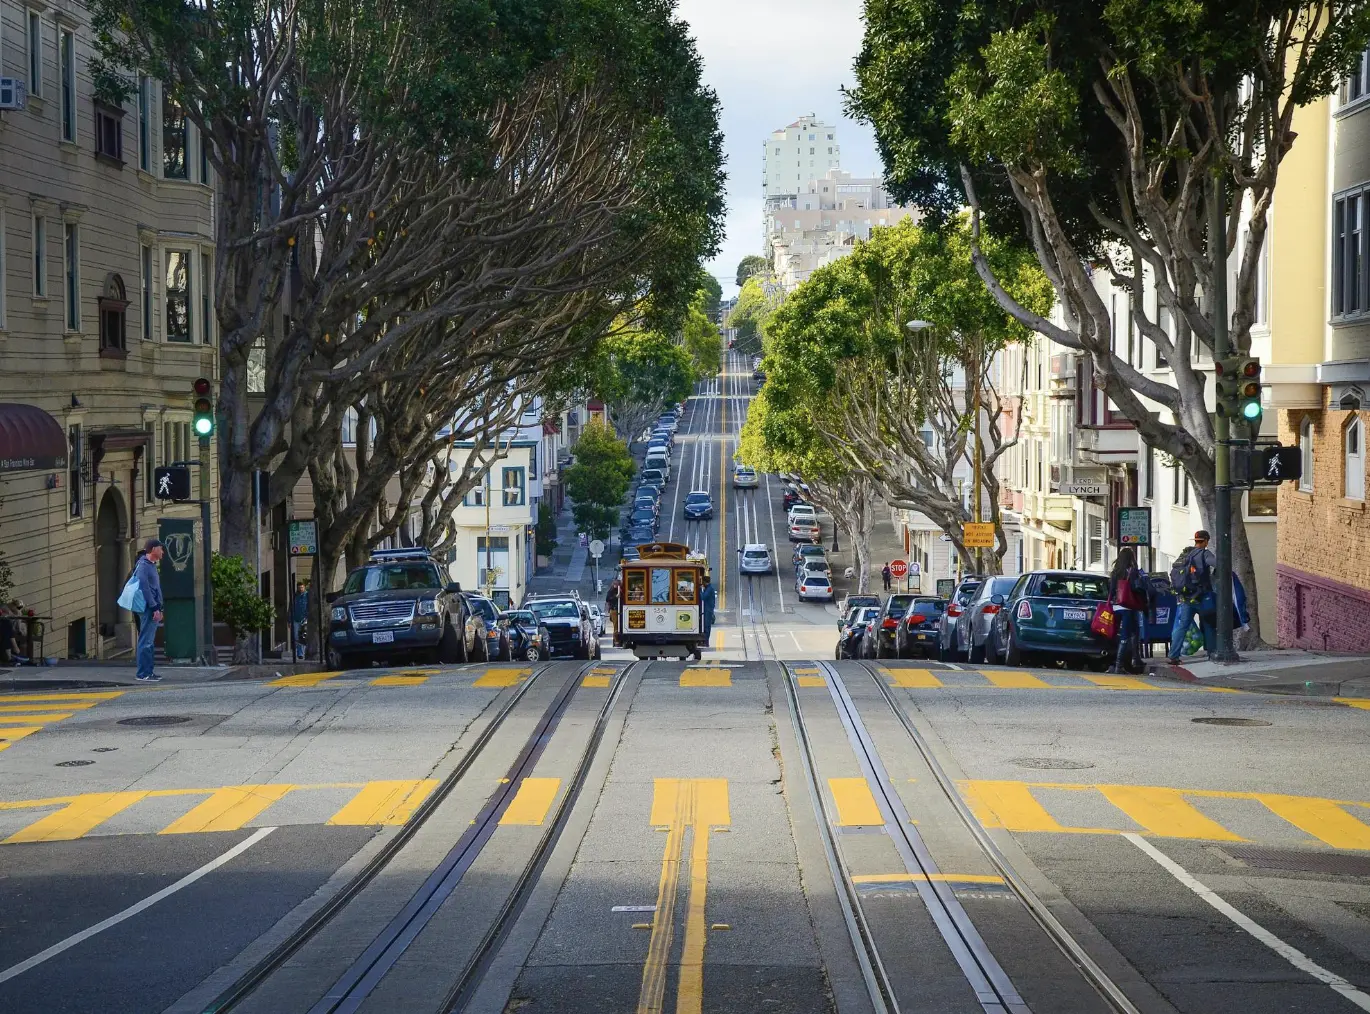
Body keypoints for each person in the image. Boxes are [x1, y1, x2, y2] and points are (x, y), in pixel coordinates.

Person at [1167, 530, 1217, 664]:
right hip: (1202, 597)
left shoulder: (1186, 554)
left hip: (1186, 598)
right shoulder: (1205, 554)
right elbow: (1217, 564)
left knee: (1182, 626)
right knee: (1209, 624)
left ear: (1196, 541)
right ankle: (1212, 653)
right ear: (1206, 541)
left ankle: (1173, 656)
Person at [1107, 547, 1147, 674]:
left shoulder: (1115, 572)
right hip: (1128, 606)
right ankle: (1119, 665)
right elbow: (1137, 588)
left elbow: (1111, 590)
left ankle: (1136, 659)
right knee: (1127, 635)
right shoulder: (1132, 571)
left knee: (1134, 631)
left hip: (1116, 606)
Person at [135, 539, 166, 682]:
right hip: (148, 608)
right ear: (153, 549)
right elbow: (145, 588)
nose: (163, 552)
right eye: (161, 549)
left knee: (149, 641)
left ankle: (149, 671)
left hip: (154, 607)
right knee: (146, 641)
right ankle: (143, 673)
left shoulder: (151, 565)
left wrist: (159, 607)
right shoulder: (144, 566)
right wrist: (154, 607)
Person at [698, 574, 717, 656]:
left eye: (703, 582)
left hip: (708, 610)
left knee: (707, 626)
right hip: (707, 609)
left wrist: (699, 591)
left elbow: (703, 597)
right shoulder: (708, 588)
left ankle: (706, 642)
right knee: (705, 625)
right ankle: (705, 641)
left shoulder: (709, 589)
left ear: (705, 582)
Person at [292, 580, 310, 660]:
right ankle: (299, 652)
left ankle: (301, 653)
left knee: (303, 636)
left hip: (304, 619)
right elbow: (291, 608)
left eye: (302, 587)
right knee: (296, 636)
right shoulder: (295, 596)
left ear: (304, 587)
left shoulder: (307, 595)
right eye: (299, 588)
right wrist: (289, 620)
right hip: (296, 619)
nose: (300, 589)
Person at [605, 578, 621, 643]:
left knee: (618, 625)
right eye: (616, 584)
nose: (616, 586)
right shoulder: (611, 591)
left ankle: (617, 639)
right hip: (614, 609)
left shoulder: (618, 590)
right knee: (616, 625)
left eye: (617, 584)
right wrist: (616, 597)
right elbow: (607, 599)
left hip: (618, 609)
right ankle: (616, 639)